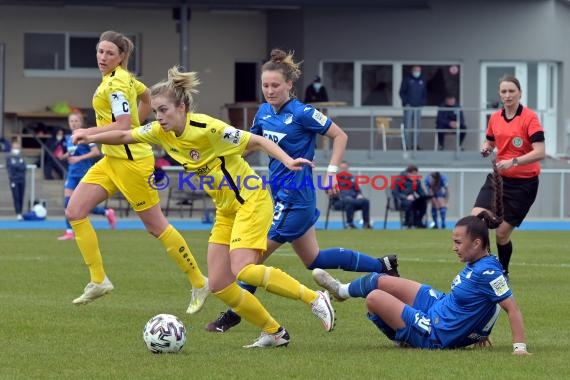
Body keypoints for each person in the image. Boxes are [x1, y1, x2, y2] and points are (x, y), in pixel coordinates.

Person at [73, 65, 336, 348]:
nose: (158, 117)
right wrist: (89, 134)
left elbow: (257, 141)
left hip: (251, 200)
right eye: (156, 111)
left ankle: (314, 298)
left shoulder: (208, 128)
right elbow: (125, 136)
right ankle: (274, 332)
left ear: (182, 107)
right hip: (226, 209)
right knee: (220, 284)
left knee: (244, 270)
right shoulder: (160, 132)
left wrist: (286, 161)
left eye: (164, 110)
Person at [205, 48, 398, 334]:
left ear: (289, 85)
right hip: (280, 195)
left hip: (294, 198)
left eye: (275, 85)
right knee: (314, 259)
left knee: (250, 261)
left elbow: (340, 135)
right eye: (265, 85)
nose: (269, 91)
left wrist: (331, 173)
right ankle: (382, 265)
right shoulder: (263, 112)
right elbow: (251, 144)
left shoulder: (302, 112)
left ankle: (233, 315)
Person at [65, 31, 209, 314]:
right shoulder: (121, 79)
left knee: (156, 227)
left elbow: (121, 126)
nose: (102, 57)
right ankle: (98, 280)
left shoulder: (118, 83)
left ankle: (199, 281)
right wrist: (136, 124)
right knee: (74, 211)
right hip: (111, 160)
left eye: (109, 53)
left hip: (132, 163)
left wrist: (88, 133)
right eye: (99, 51)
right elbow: (145, 97)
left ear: (121, 57)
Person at [312, 215, 530, 355]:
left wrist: (519, 348)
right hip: (442, 304)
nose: (454, 248)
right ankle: (341, 291)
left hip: (436, 332)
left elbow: (511, 307)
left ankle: (404, 339)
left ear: (476, 243)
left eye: (458, 242)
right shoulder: (481, 262)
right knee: (382, 280)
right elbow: (489, 302)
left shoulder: (488, 271)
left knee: (374, 299)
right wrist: (481, 331)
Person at [473, 74, 545, 278]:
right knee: (475, 219)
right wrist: (486, 148)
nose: (507, 95)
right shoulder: (495, 117)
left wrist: (513, 161)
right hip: (499, 179)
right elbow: (490, 142)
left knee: (502, 234)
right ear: (499, 94)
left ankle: (502, 273)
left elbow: (540, 151)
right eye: (503, 91)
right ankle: (481, 270)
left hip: (524, 185)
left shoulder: (530, 118)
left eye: (511, 91)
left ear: (520, 93)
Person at [57, 111, 117, 241]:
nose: (73, 124)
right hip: (72, 173)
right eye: (71, 121)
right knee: (68, 203)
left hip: (84, 172)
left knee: (81, 204)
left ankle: (106, 212)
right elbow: (73, 152)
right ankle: (69, 232)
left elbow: (96, 151)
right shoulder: (69, 137)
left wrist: (79, 159)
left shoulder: (85, 135)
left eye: (76, 121)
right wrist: (65, 156)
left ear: (81, 123)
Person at [336, 161, 372, 229]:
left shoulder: (352, 178)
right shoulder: (335, 179)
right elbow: (333, 192)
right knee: (349, 201)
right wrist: (343, 196)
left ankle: (366, 224)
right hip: (339, 201)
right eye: (342, 168)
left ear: (348, 168)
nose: (344, 169)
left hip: (353, 200)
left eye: (345, 168)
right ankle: (349, 224)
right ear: (339, 169)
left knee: (365, 201)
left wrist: (359, 195)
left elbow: (358, 190)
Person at [399, 65, 427, 150]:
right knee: (407, 126)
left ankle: (415, 145)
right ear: (412, 71)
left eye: (418, 70)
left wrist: (422, 103)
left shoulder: (422, 81)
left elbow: (425, 94)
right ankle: (406, 146)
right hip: (409, 107)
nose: (417, 72)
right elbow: (401, 92)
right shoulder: (407, 80)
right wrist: (406, 102)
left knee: (417, 127)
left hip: (418, 107)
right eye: (415, 70)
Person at [6, 138, 26, 220]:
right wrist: (18, 165)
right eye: (15, 145)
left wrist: (17, 166)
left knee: (21, 196)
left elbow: (23, 167)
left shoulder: (21, 156)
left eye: (17, 145)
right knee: (16, 196)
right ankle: (18, 212)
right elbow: (11, 168)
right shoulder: (9, 157)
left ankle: (20, 212)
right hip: (14, 179)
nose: (16, 147)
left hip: (22, 178)